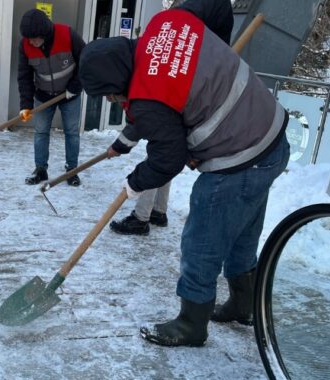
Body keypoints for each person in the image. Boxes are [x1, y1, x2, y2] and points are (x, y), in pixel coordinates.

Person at [78, 0, 290, 347]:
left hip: (236, 155)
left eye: (111, 94)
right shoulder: (169, 22)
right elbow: (214, 6)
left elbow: (169, 157)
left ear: (116, 79)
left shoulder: (148, 98)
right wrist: (216, 47)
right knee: (241, 232)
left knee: (201, 243)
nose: (114, 100)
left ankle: (192, 323)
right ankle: (243, 303)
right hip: (271, 137)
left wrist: (134, 183)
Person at [109, 0, 234, 236]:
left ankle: (141, 217)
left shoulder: (180, 29)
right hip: (185, 103)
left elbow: (143, 115)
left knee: (160, 157)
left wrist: (121, 144)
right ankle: (158, 211)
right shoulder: (185, 31)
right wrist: (120, 144)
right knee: (167, 155)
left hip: (186, 104)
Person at [18, 9, 86, 186]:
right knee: (40, 132)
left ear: (43, 33)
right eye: (28, 38)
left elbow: (87, 61)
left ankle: (72, 170)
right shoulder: (25, 45)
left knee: (71, 132)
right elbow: (24, 76)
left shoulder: (67, 35)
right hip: (43, 95)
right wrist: (25, 105)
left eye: (34, 38)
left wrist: (75, 86)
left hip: (69, 94)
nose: (30, 42)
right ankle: (40, 170)